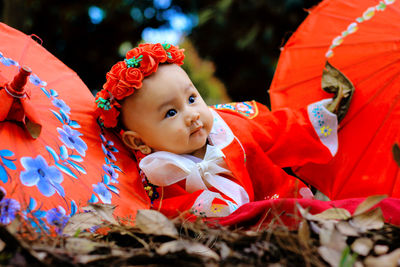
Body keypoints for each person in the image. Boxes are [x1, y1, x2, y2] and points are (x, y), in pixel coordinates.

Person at [95, 43, 350, 218]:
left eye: (192, 98)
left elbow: (278, 128)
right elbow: (168, 211)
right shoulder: (154, 177)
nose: (192, 114)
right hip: (227, 232)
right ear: (138, 141)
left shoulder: (231, 124)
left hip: (283, 203)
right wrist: (212, 209)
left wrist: (327, 112)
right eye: (171, 113)